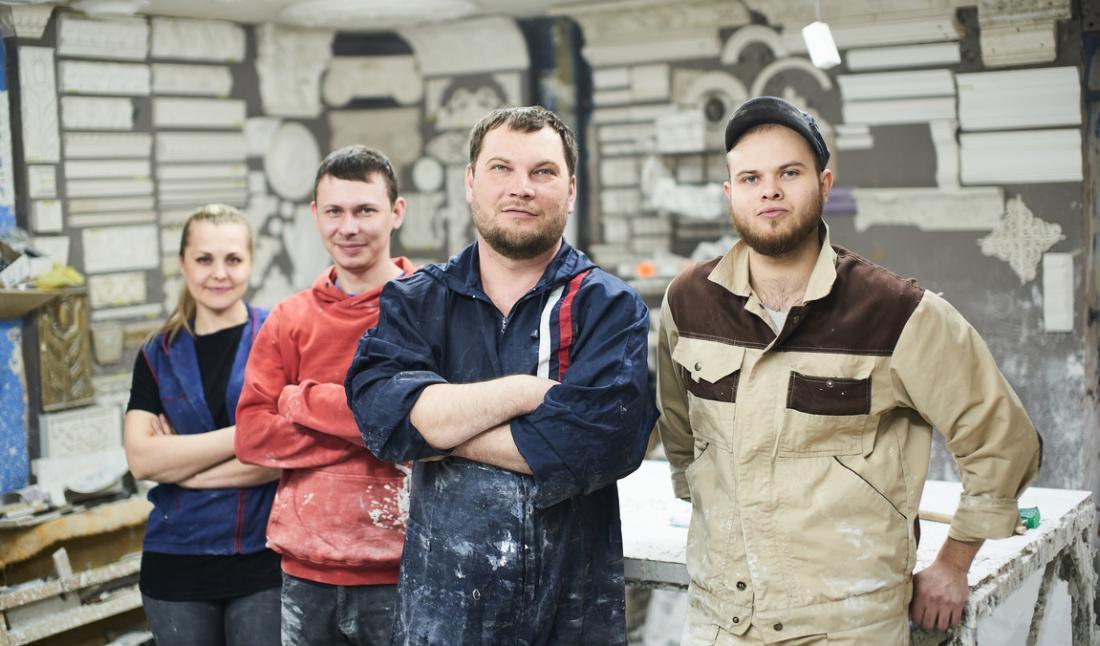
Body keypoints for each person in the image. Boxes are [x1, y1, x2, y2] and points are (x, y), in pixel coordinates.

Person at [656, 95, 1042, 645]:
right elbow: (682, 437)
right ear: (730, 193)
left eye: (790, 173)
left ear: (824, 184)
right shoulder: (688, 302)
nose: (769, 190)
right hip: (723, 620)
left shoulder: (896, 313)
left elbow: (1003, 442)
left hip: (849, 625)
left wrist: (954, 562)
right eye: (750, 178)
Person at [345, 105, 657, 644]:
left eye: (543, 171)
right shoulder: (418, 301)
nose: (521, 188)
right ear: (470, 182)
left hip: (570, 620)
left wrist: (440, 427)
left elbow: (601, 443)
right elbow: (382, 419)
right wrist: (524, 393)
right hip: (441, 622)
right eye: (501, 168)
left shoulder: (608, 308)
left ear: (571, 189)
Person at [235, 145, 416, 645]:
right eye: (334, 211)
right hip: (305, 571)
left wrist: (302, 403)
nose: (348, 227)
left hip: (406, 566)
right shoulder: (288, 319)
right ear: (315, 214)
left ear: (396, 212)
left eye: (365, 210)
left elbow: (425, 428)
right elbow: (252, 437)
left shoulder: (430, 309)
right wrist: (375, 432)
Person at [123, 204, 281, 646]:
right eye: (204, 259)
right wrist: (247, 434)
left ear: (251, 262)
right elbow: (142, 460)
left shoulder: (278, 337)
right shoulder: (156, 354)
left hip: (262, 558)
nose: (219, 273)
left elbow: (281, 456)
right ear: (182, 264)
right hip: (175, 560)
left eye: (233, 259)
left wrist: (183, 468)